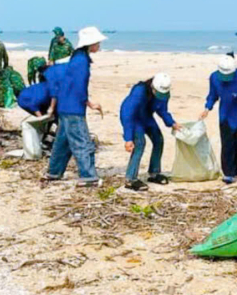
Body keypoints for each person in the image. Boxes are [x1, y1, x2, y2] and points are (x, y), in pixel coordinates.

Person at [47, 26, 107, 185]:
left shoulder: (78, 57)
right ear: (90, 43)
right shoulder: (81, 61)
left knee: (63, 142)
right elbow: (79, 86)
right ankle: (88, 176)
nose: (99, 45)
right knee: (83, 142)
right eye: (97, 42)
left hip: (66, 105)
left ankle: (54, 172)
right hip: (73, 107)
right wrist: (90, 103)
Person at [200, 54, 237, 184]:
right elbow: (213, 95)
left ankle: (234, 169)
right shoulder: (214, 77)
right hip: (225, 113)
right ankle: (228, 173)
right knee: (227, 144)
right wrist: (207, 108)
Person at [119, 73, 180, 191]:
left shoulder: (164, 93)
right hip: (134, 118)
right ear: (152, 87)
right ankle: (130, 179)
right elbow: (128, 114)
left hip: (146, 117)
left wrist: (172, 123)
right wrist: (128, 138)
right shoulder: (139, 91)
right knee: (140, 144)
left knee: (159, 140)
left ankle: (154, 173)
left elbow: (162, 110)